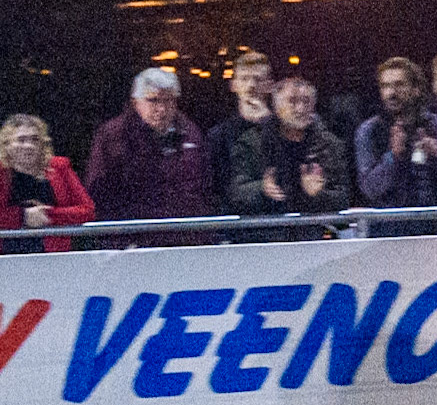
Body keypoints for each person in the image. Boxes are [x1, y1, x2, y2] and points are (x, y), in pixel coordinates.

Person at [87, 68, 211, 227]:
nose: (162, 109)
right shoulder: (113, 136)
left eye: (168, 101)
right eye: (153, 100)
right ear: (135, 102)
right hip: (134, 239)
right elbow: (99, 193)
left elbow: (206, 187)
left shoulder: (191, 132)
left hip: (185, 237)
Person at [230, 77, 349, 231]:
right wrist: (262, 188)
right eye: (292, 102)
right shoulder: (252, 142)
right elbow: (236, 194)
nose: (300, 109)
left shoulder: (330, 144)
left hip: (315, 239)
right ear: (277, 107)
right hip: (265, 237)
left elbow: (343, 200)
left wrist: (318, 195)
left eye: (306, 102)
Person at [354, 57, 437, 207]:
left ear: (415, 89)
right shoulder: (368, 131)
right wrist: (393, 157)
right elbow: (369, 188)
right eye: (386, 86)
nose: (392, 93)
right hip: (390, 225)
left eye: (399, 85)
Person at [0, 114, 94, 253]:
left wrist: (48, 215)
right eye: (21, 140)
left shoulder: (60, 167)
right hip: (7, 256)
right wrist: (23, 216)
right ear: (6, 145)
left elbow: (87, 210)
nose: (29, 146)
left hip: (54, 254)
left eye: (35, 139)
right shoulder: (2, 173)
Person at [206, 49, 274, 210]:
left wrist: (270, 124)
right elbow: (217, 187)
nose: (251, 86)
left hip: (279, 223)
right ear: (233, 85)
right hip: (237, 226)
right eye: (244, 79)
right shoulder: (219, 136)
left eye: (258, 79)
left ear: (269, 86)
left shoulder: (285, 131)